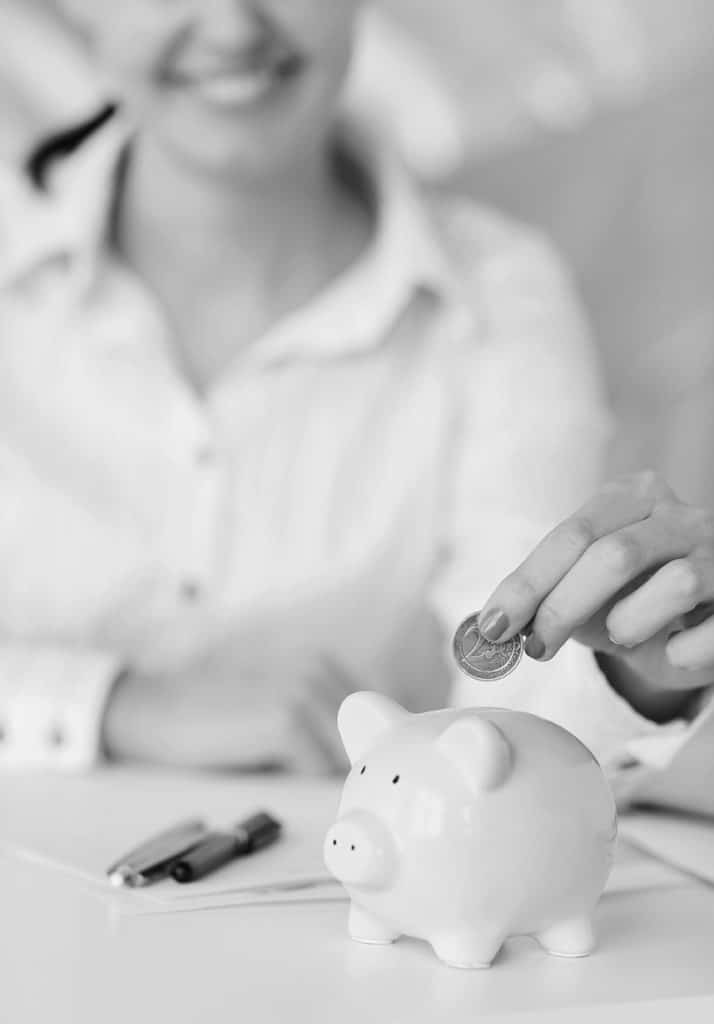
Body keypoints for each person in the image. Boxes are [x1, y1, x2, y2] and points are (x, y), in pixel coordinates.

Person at [0, 1, 711, 813]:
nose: (233, 27)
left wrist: (631, 677)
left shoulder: (502, 295)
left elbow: (517, 720)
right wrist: (117, 704)